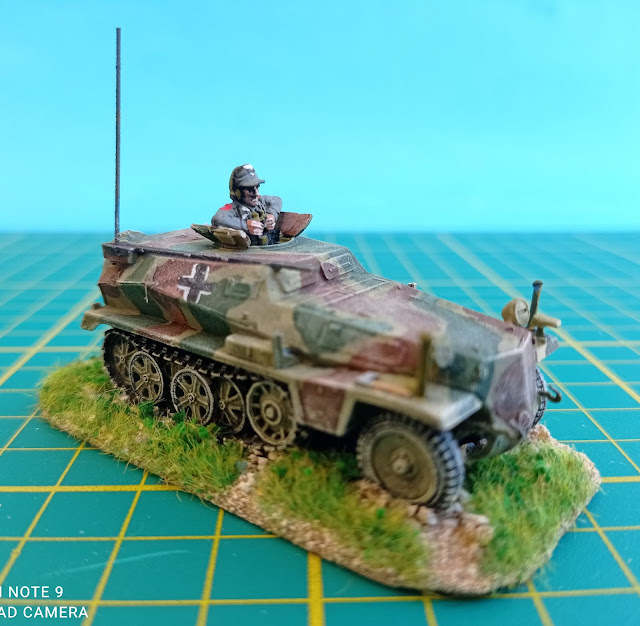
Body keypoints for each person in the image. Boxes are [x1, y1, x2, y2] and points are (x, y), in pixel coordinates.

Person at [211, 164, 282, 245]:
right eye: (250, 190)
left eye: (257, 187)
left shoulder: (260, 202)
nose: (256, 194)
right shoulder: (233, 208)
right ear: (238, 192)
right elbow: (218, 218)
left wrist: (272, 214)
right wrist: (245, 225)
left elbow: (277, 200)